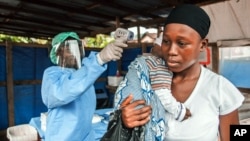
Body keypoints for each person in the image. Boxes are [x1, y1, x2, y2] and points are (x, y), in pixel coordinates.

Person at [114, 4, 245, 141]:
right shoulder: (146, 80)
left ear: (202, 45)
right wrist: (123, 121)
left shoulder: (220, 88)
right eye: (166, 41)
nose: (171, 51)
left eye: (181, 43)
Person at [41, 31, 127, 141]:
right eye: (68, 49)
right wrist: (99, 60)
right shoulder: (52, 74)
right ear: (57, 53)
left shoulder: (85, 75)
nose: (73, 52)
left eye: (76, 48)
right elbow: (62, 93)